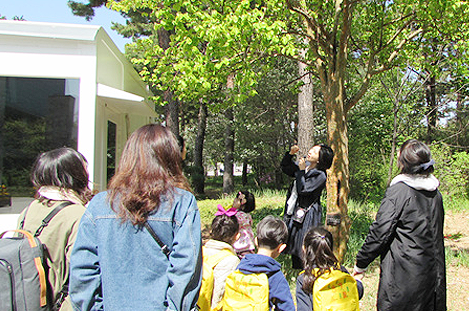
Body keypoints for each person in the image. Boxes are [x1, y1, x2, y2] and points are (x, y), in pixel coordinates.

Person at [69, 124, 202, 311]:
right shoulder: (181, 203)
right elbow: (186, 272)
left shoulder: (99, 205)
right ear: (170, 157)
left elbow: (82, 273)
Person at [352, 139, 446, 311]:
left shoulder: (400, 192)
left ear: (403, 161)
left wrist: (361, 263)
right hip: (433, 275)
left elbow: (380, 232)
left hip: (405, 277)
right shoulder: (436, 193)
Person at [18, 147, 92, 311]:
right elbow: (82, 274)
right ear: (75, 175)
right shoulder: (77, 214)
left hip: (26, 303)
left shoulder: (28, 210)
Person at [222, 215, 295, 311]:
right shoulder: (276, 277)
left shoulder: (240, 267)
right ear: (281, 248)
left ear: (256, 241)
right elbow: (287, 308)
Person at [281, 144, 334, 269]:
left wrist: (300, 171)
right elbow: (285, 167)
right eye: (312, 149)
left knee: (305, 241)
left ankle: (308, 270)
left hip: (309, 213)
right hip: (298, 211)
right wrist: (289, 155)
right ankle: (298, 269)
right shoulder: (306, 167)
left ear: (320, 159)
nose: (310, 152)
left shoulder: (320, 175)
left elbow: (303, 189)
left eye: (315, 152)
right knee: (295, 240)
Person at [296, 227, 363, 311]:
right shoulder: (340, 270)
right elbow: (356, 292)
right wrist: (358, 282)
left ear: (304, 249)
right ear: (330, 248)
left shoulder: (304, 278)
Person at [200, 214, 240, 310]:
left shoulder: (201, 251)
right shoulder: (232, 261)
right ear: (236, 236)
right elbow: (220, 294)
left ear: (211, 231)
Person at [219, 190, 256, 258]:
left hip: (240, 246)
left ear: (242, 203)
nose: (234, 201)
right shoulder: (247, 215)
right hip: (248, 246)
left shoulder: (238, 216)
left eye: (236, 199)